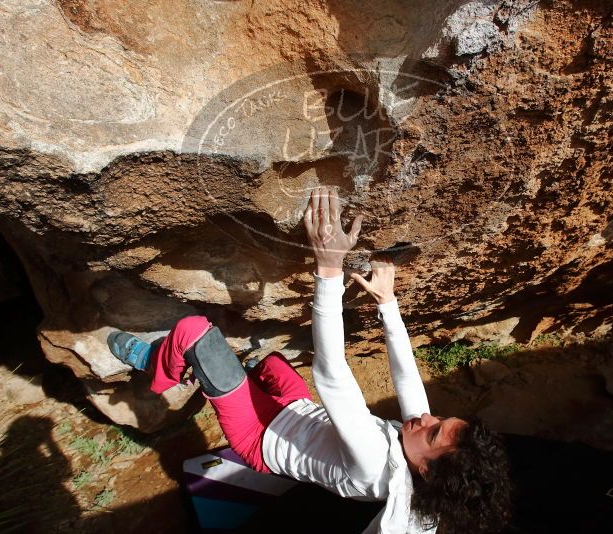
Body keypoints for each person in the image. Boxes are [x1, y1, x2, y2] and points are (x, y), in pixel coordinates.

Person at [109, 186, 512, 533]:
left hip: (259, 438)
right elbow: (407, 380)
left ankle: (155, 365)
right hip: (295, 410)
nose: (428, 419)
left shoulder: (375, 462)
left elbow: (332, 373)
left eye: (433, 433)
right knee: (273, 366)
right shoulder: (417, 445)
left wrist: (328, 266)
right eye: (440, 419)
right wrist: (388, 303)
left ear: (426, 471)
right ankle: (207, 374)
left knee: (194, 333)